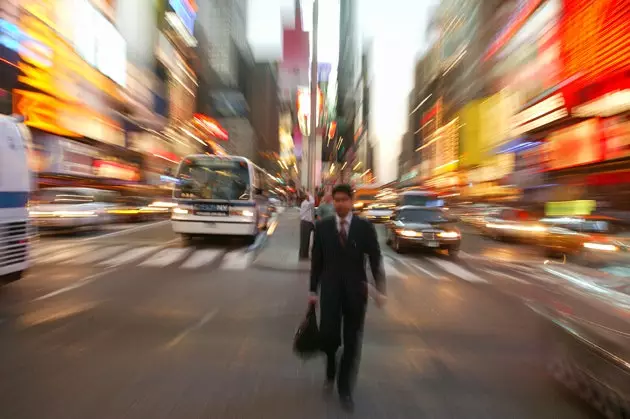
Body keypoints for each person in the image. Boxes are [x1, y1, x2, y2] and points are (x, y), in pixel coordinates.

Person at [309, 184, 386, 412]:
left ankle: (345, 389)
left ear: (352, 201)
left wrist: (379, 288)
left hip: (356, 293)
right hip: (330, 293)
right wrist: (313, 291)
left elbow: (375, 257)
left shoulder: (364, 228)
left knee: (352, 343)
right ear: (332, 202)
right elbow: (317, 262)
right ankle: (331, 368)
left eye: (344, 200)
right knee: (329, 338)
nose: (340, 204)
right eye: (337, 200)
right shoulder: (322, 227)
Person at [299, 191, 315, 259]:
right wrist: (309, 194)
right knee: (305, 240)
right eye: (308, 196)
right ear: (306, 197)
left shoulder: (305, 203)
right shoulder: (305, 203)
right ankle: (303, 255)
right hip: (305, 223)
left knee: (305, 239)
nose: (309, 197)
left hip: (308, 222)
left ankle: (304, 254)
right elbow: (312, 202)